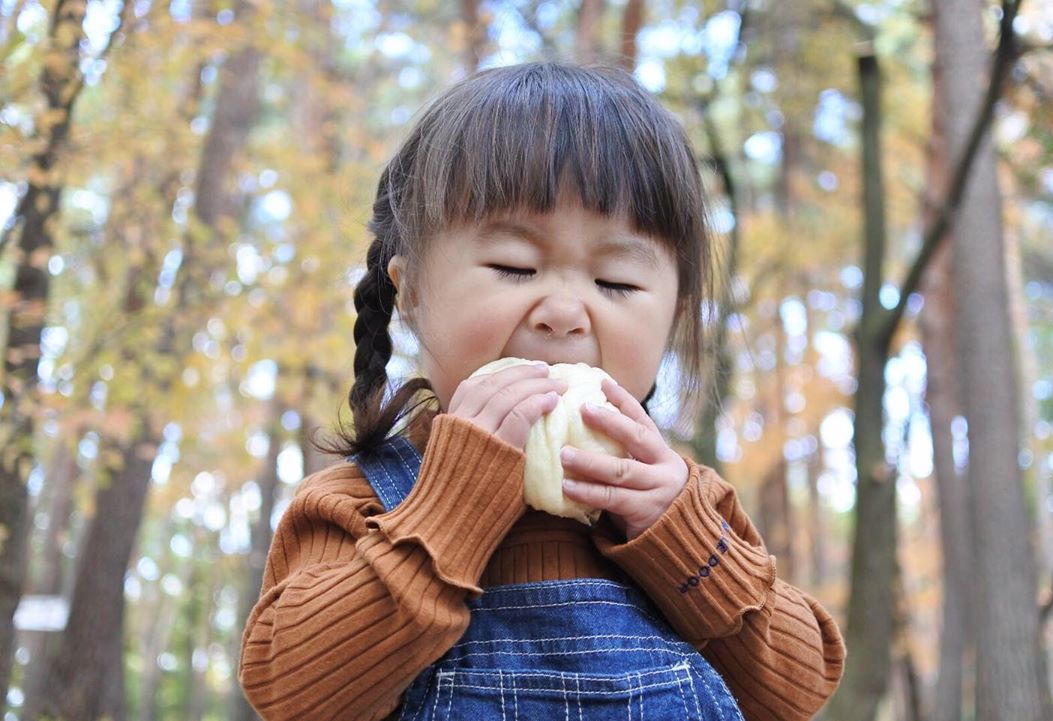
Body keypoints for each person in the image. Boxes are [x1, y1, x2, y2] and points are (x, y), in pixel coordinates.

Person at [238, 61, 845, 721]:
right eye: (513, 266)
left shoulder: (687, 506)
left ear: (672, 317)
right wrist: (447, 510)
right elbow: (290, 691)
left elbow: (798, 687)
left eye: (616, 282)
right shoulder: (358, 502)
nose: (564, 311)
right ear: (410, 294)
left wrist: (687, 541)